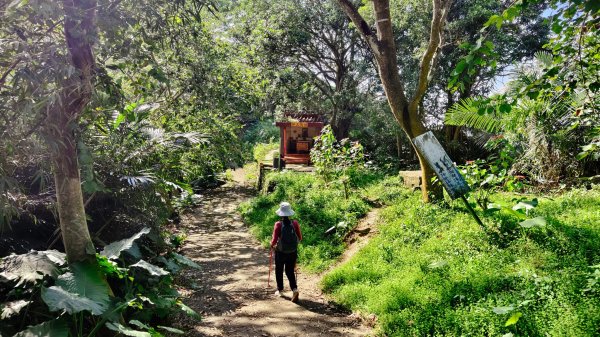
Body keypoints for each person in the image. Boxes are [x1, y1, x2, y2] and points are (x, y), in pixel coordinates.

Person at [270, 201, 302, 302]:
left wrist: (271, 245)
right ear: (289, 212)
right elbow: (300, 238)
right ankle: (294, 289)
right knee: (290, 271)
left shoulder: (278, 224)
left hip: (281, 252)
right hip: (292, 252)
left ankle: (280, 289)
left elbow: (274, 241)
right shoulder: (295, 223)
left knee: (279, 270)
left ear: (281, 213)